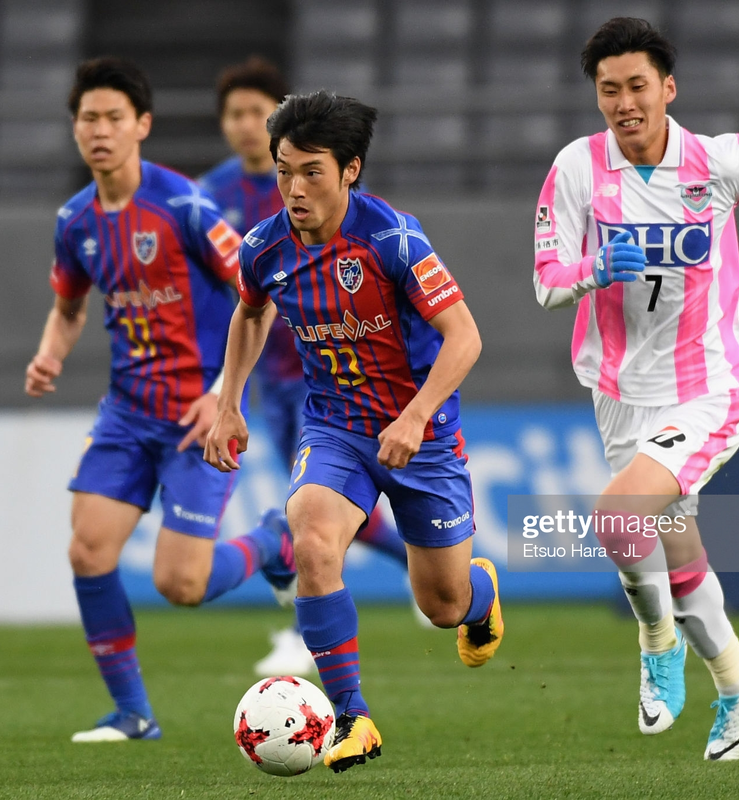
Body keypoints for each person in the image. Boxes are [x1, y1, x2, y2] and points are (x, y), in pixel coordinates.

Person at [532, 18, 739, 761]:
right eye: (610, 90)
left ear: (668, 88)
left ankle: (655, 647)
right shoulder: (576, 168)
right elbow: (546, 285)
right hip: (617, 392)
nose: (624, 102)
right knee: (675, 553)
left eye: (638, 86)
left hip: (706, 389)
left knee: (616, 518)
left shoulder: (716, 161)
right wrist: (597, 268)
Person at [204, 90, 504, 773]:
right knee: (310, 537)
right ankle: (352, 716)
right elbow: (250, 314)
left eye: (312, 171)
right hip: (335, 428)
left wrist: (417, 414)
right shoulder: (264, 245)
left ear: (349, 170)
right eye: (283, 170)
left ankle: (478, 594)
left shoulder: (393, 238)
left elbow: (464, 337)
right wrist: (229, 402)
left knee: (443, 605)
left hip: (419, 436)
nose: (294, 188)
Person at [25, 57, 296, 743]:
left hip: (199, 414)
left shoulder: (184, 207)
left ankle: (274, 541)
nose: (101, 131)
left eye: (115, 117)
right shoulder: (74, 221)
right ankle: (133, 714)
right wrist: (50, 353)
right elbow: (67, 307)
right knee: (88, 551)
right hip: (125, 412)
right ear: (75, 129)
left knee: (183, 585)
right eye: (89, 118)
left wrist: (222, 394)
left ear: (142, 125)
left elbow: (256, 294)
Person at [199, 58, 418, 677]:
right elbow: (233, 300)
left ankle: (296, 591)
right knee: (316, 510)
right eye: (234, 114)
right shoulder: (211, 196)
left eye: (255, 112)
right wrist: (224, 392)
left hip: (348, 378)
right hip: (275, 378)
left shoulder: (338, 202)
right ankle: (343, 587)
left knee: (306, 512)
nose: (245, 125)